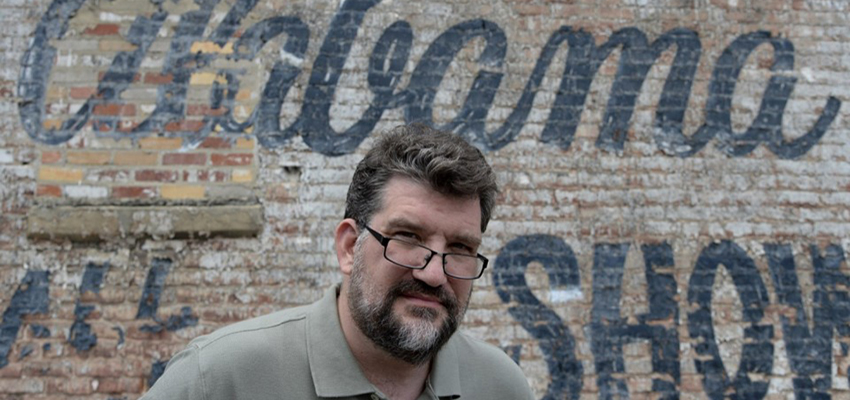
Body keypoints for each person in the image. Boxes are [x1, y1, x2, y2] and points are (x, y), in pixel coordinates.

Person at [143, 124, 535, 400]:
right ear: (349, 247)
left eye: (460, 248)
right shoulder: (218, 379)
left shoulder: (502, 386)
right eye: (407, 238)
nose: (433, 273)